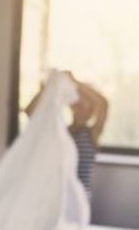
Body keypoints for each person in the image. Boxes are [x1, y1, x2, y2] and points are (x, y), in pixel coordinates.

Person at [25, 71, 108, 199]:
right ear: (73, 106)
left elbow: (103, 103)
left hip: (80, 197)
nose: (85, 111)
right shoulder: (60, 133)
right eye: (80, 106)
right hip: (57, 195)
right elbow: (30, 112)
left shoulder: (92, 134)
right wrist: (49, 88)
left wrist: (74, 81)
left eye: (90, 108)